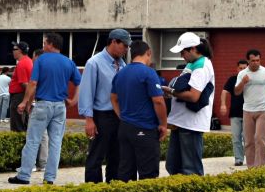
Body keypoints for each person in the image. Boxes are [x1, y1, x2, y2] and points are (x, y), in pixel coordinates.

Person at [10, 33, 81, 185]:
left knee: (33, 140)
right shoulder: (69, 62)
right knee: (56, 143)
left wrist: (24, 102)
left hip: (43, 105)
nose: (43, 46)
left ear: (50, 44)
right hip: (60, 106)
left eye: (44, 43)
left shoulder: (41, 60)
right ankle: (50, 178)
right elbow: (79, 82)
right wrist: (74, 100)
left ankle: (24, 175)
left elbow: (33, 83)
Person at [110, 40, 167, 181]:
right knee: (148, 174)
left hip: (125, 128)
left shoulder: (120, 73)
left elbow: (113, 98)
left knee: (126, 171)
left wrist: (121, 116)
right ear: (148, 52)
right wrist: (163, 124)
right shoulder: (149, 73)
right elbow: (158, 101)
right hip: (145, 127)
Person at [79, 28, 131, 183]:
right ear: (114, 42)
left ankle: (113, 187)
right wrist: (89, 119)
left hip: (119, 116)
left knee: (117, 155)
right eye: (124, 45)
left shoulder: (122, 64)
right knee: (96, 156)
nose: (126, 49)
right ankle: (93, 189)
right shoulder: (94, 63)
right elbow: (86, 91)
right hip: (101, 116)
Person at [162, 32, 215, 177]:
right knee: (173, 165)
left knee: (191, 169)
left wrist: (172, 92)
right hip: (182, 122)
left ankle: (194, 191)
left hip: (191, 124)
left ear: (193, 49)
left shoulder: (201, 66)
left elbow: (193, 96)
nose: (181, 56)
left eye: (183, 52)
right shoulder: (192, 63)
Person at [235, 50, 265, 168]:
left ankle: (260, 166)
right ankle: (251, 167)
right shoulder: (242, 74)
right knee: (248, 141)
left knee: (260, 139)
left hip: (263, 110)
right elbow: (237, 92)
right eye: (253, 61)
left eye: (258, 60)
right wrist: (243, 82)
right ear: (248, 61)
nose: (255, 63)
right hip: (247, 110)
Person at [219, 59, 248, 166]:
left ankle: (250, 159)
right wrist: (223, 104)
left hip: (248, 113)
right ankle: (238, 159)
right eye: (240, 68)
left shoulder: (251, 79)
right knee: (236, 138)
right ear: (237, 69)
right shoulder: (232, 79)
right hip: (235, 113)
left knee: (248, 138)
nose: (242, 70)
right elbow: (224, 92)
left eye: (244, 68)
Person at [8, 42, 32, 132]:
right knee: (23, 123)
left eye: (14, 49)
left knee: (17, 126)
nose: (13, 51)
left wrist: (24, 101)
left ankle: (18, 140)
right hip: (23, 95)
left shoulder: (22, 63)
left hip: (19, 96)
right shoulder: (28, 61)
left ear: (20, 51)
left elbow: (25, 84)